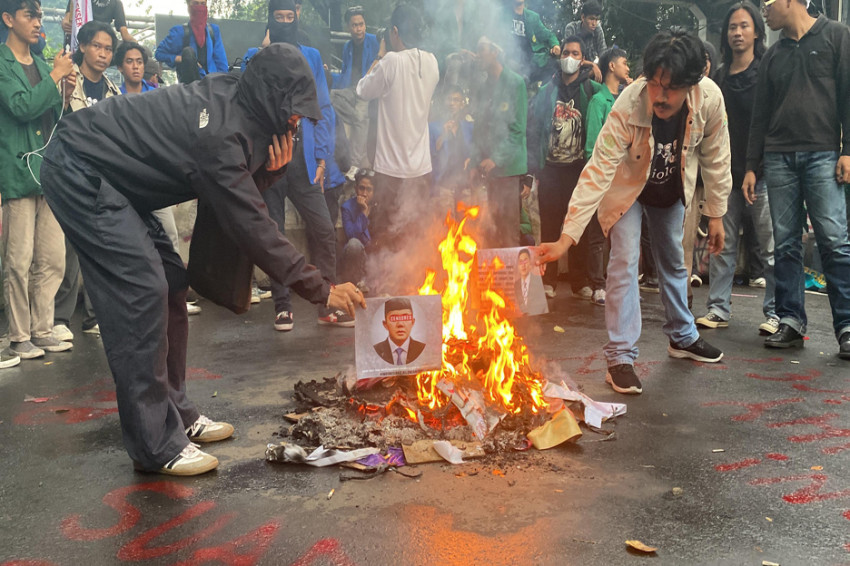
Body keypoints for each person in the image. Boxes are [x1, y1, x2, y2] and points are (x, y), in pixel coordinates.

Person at [39, 44, 366, 476]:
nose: (297, 120)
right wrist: (321, 288)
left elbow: (239, 191)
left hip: (121, 179)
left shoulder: (245, 103)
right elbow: (250, 223)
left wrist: (268, 172)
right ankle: (155, 445)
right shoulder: (221, 132)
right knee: (142, 290)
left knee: (172, 282)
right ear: (270, 95)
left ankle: (176, 412)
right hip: (80, 166)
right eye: (292, 108)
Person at [537, 28, 731, 395]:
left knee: (674, 261)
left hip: (671, 190)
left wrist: (716, 213)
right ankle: (620, 358)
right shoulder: (629, 102)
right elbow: (597, 170)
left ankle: (682, 336)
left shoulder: (710, 99)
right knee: (625, 260)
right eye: (654, 84)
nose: (659, 96)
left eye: (670, 87)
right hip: (628, 191)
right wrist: (567, 237)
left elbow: (717, 156)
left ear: (693, 82)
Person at [745, 0, 850, 359]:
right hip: (778, 157)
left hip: (823, 154)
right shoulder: (773, 56)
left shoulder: (836, 36)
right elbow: (760, 115)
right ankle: (790, 320)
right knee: (785, 243)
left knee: (834, 241)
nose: (764, 12)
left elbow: (849, 97)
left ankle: (848, 326)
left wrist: (847, 149)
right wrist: (750, 166)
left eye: (767, 4)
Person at [251, 0, 344, 331]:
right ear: (271, 20)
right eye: (279, 17)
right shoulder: (257, 57)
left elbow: (323, 107)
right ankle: (282, 305)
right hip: (271, 161)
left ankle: (327, 301)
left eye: (290, 16)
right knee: (274, 234)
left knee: (324, 229)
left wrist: (322, 156)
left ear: (298, 16)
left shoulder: (312, 56)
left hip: (304, 162)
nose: (285, 22)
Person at [1, 0, 76, 364]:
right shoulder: (1, 64)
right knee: (19, 259)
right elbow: (21, 107)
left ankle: (42, 328)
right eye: (29, 15)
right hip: (16, 172)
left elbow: (53, 115)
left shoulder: (46, 64)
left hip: (46, 171)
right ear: (8, 19)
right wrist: (54, 78)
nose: (36, 21)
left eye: (39, 15)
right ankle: (18, 335)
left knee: (52, 258)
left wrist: (63, 88)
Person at [695, 1, 777, 336]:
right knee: (721, 244)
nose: (737, 33)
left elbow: (770, 126)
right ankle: (717, 309)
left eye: (744, 26)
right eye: (732, 27)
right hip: (725, 177)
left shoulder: (766, 74)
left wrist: (756, 167)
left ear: (757, 31)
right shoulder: (718, 79)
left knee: (773, 247)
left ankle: (776, 313)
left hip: (763, 174)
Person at [355, 4, 439, 291]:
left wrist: (378, 56)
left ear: (395, 32)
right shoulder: (432, 62)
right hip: (421, 169)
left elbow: (362, 90)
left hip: (391, 170)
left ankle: (381, 288)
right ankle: (412, 287)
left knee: (384, 232)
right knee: (414, 232)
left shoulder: (390, 61)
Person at [526, 36, 603, 302]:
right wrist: (532, 168)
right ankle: (548, 280)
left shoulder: (592, 90)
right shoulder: (547, 91)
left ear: (583, 59)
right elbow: (533, 129)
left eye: (575, 53)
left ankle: (579, 281)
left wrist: (598, 70)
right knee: (548, 226)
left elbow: (610, 103)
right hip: (550, 170)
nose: (570, 57)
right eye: (566, 52)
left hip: (578, 170)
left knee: (577, 225)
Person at [469, 36, 527, 249]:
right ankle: (493, 280)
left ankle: (512, 281)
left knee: (509, 228)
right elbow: (479, 129)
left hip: (508, 169)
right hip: (488, 169)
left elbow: (518, 129)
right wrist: (475, 162)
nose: (478, 55)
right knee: (490, 228)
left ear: (495, 51)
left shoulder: (515, 83)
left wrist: (496, 158)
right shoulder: (484, 86)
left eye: (481, 50)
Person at [331, 5, 379, 175]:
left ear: (365, 24)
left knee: (361, 111)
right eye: (355, 25)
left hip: (368, 89)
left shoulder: (375, 41)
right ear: (348, 27)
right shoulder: (347, 47)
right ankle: (355, 118)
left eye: (361, 24)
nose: (359, 29)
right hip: (351, 90)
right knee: (330, 97)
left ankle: (355, 163)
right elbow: (344, 73)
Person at [155, 0, 227, 84]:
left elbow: (222, 63)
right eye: (196, 3)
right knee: (188, 52)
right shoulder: (179, 32)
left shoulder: (213, 31)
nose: (200, 8)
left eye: (203, 4)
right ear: (189, 7)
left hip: (212, 85)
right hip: (189, 87)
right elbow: (159, 54)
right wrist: (181, 58)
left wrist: (222, 84)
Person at [429, 85, 474, 215]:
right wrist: (443, 134)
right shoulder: (433, 127)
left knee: (466, 228)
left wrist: (470, 158)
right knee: (444, 229)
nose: (452, 103)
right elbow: (432, 153)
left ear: (462, 104)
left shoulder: (469, 127)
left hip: (465, 186)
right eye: (449, 99)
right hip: (443, 186)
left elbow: (474, 150)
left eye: (456, 100)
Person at [501, 0, 559, 84]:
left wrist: (555, 45)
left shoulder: (532, 17)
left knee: (555, 66)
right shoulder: (502, 13)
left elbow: (549, 35)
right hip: (507, 60)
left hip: (530, 63)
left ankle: (539, 93)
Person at [339, 170, 374, 289]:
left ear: (374, 192)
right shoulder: (347, 208)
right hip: (356, 258)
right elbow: (352, 235)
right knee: (354, 244)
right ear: (355, 188)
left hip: (375, 259)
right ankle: (354, 286)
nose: (364, 193)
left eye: (369, 189)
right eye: (361, 188)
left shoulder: (379, 207)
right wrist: (363, 213)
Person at [373, 297, 424, 365]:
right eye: (393, 318)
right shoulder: (376, 351)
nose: (400, 324)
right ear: (385, 324)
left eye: (405, 317)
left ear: (412, 322)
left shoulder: (422, 350)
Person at [563, 0, 606, 81]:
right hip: (573, 68)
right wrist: (592, 64)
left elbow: (603, 54)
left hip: (592, 70)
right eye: (591, 19)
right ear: (583, 17)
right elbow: (569, 56)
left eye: (596, 20)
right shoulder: (571, 28)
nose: (594, 23)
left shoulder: (597, 29)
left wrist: (596, 67)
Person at [61, 0, 134, 43]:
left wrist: (136, 45)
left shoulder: (116, 3)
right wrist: (66, 23)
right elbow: (67, 18)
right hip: (83, 39)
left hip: (104, 41)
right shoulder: (80, 1)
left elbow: (125, 34)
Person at [515, 247, 546, 315]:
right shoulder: (516, 285)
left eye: (525, 261)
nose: (523, 265)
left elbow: (543, 307)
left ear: (530, 263)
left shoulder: (537, 282)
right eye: (521, 262)